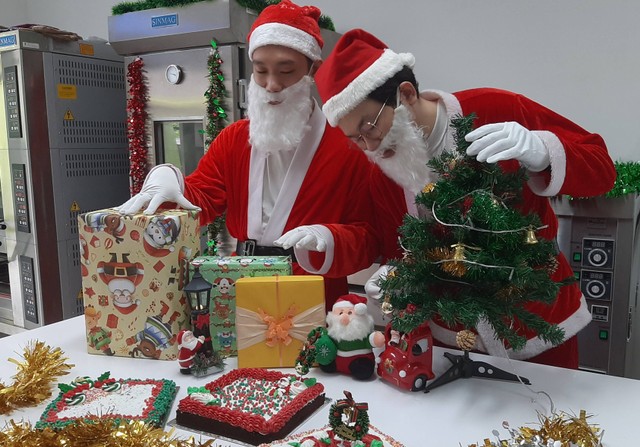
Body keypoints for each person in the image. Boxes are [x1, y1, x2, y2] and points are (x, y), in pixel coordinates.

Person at [314, 29, 616, 369]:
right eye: (356, 139)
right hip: (453, 340)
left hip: (538, 323)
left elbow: (602, 170)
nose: (370, 147)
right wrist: (394, 276)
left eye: (369, 126)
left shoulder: (494, 108)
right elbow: (400, 250)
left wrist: (542, 151)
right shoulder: (381, 172)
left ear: (406, 93)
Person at [117, 2, 379, 310]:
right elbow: (203, 198)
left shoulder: (345, 147)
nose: (272, 86)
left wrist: (329, 237)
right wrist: (170, 182)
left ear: (312, 71)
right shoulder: (234, 138)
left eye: (286, 71)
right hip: (241, 287)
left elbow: (369, 236)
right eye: (260, 71)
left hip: (315, 296)